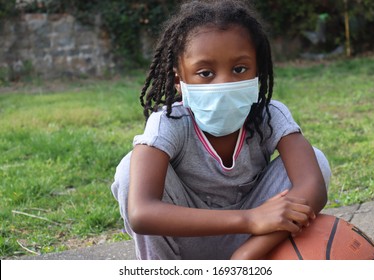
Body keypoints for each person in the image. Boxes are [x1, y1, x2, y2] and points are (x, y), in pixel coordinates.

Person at [111, 0, 331, 260]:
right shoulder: (168, 124)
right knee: (129, 169)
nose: (225, 82)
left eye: (239, 69)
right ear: (179, 81)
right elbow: (141, 213)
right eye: (205, 73)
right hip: (186, 240)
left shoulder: (269, 115)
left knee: (315, 160)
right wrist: (248, 219)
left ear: (257, 71)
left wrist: (247, 254)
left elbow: (312, 187)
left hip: (260, 238)